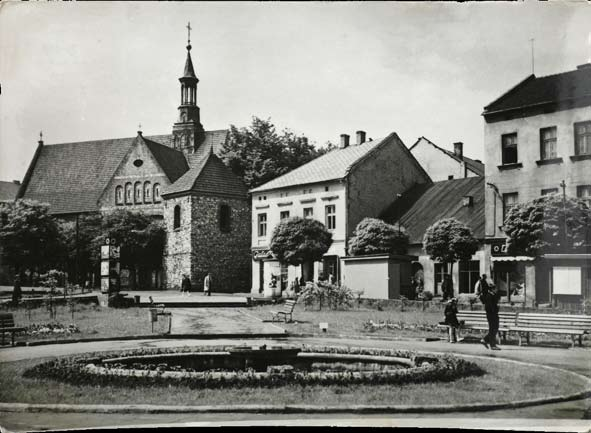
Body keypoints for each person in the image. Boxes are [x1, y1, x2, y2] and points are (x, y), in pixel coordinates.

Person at [475, 274, 500, 350]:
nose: (497, 290)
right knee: (493, 329)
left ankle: (485, 340)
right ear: (492, 289)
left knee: (494, 329)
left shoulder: (491, 295)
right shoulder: (490, 296)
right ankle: (492, 345)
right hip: (492, 315)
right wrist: (494, 312)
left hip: (492, 314)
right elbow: (490, 307)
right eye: (496, 289)